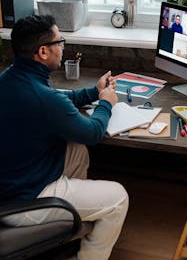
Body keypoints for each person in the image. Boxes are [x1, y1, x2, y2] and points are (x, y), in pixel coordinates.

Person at [0, 15, 129, 260]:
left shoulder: (11, 78)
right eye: (59, 42)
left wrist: (94, 91)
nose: (63, 47)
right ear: (43, 51)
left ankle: (73, 222)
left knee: (75, 147)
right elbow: (92, 133)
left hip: (11, 182)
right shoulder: (43, 98)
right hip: (24, 200)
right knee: (118, 198)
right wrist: (106, 103)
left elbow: (56, 100)